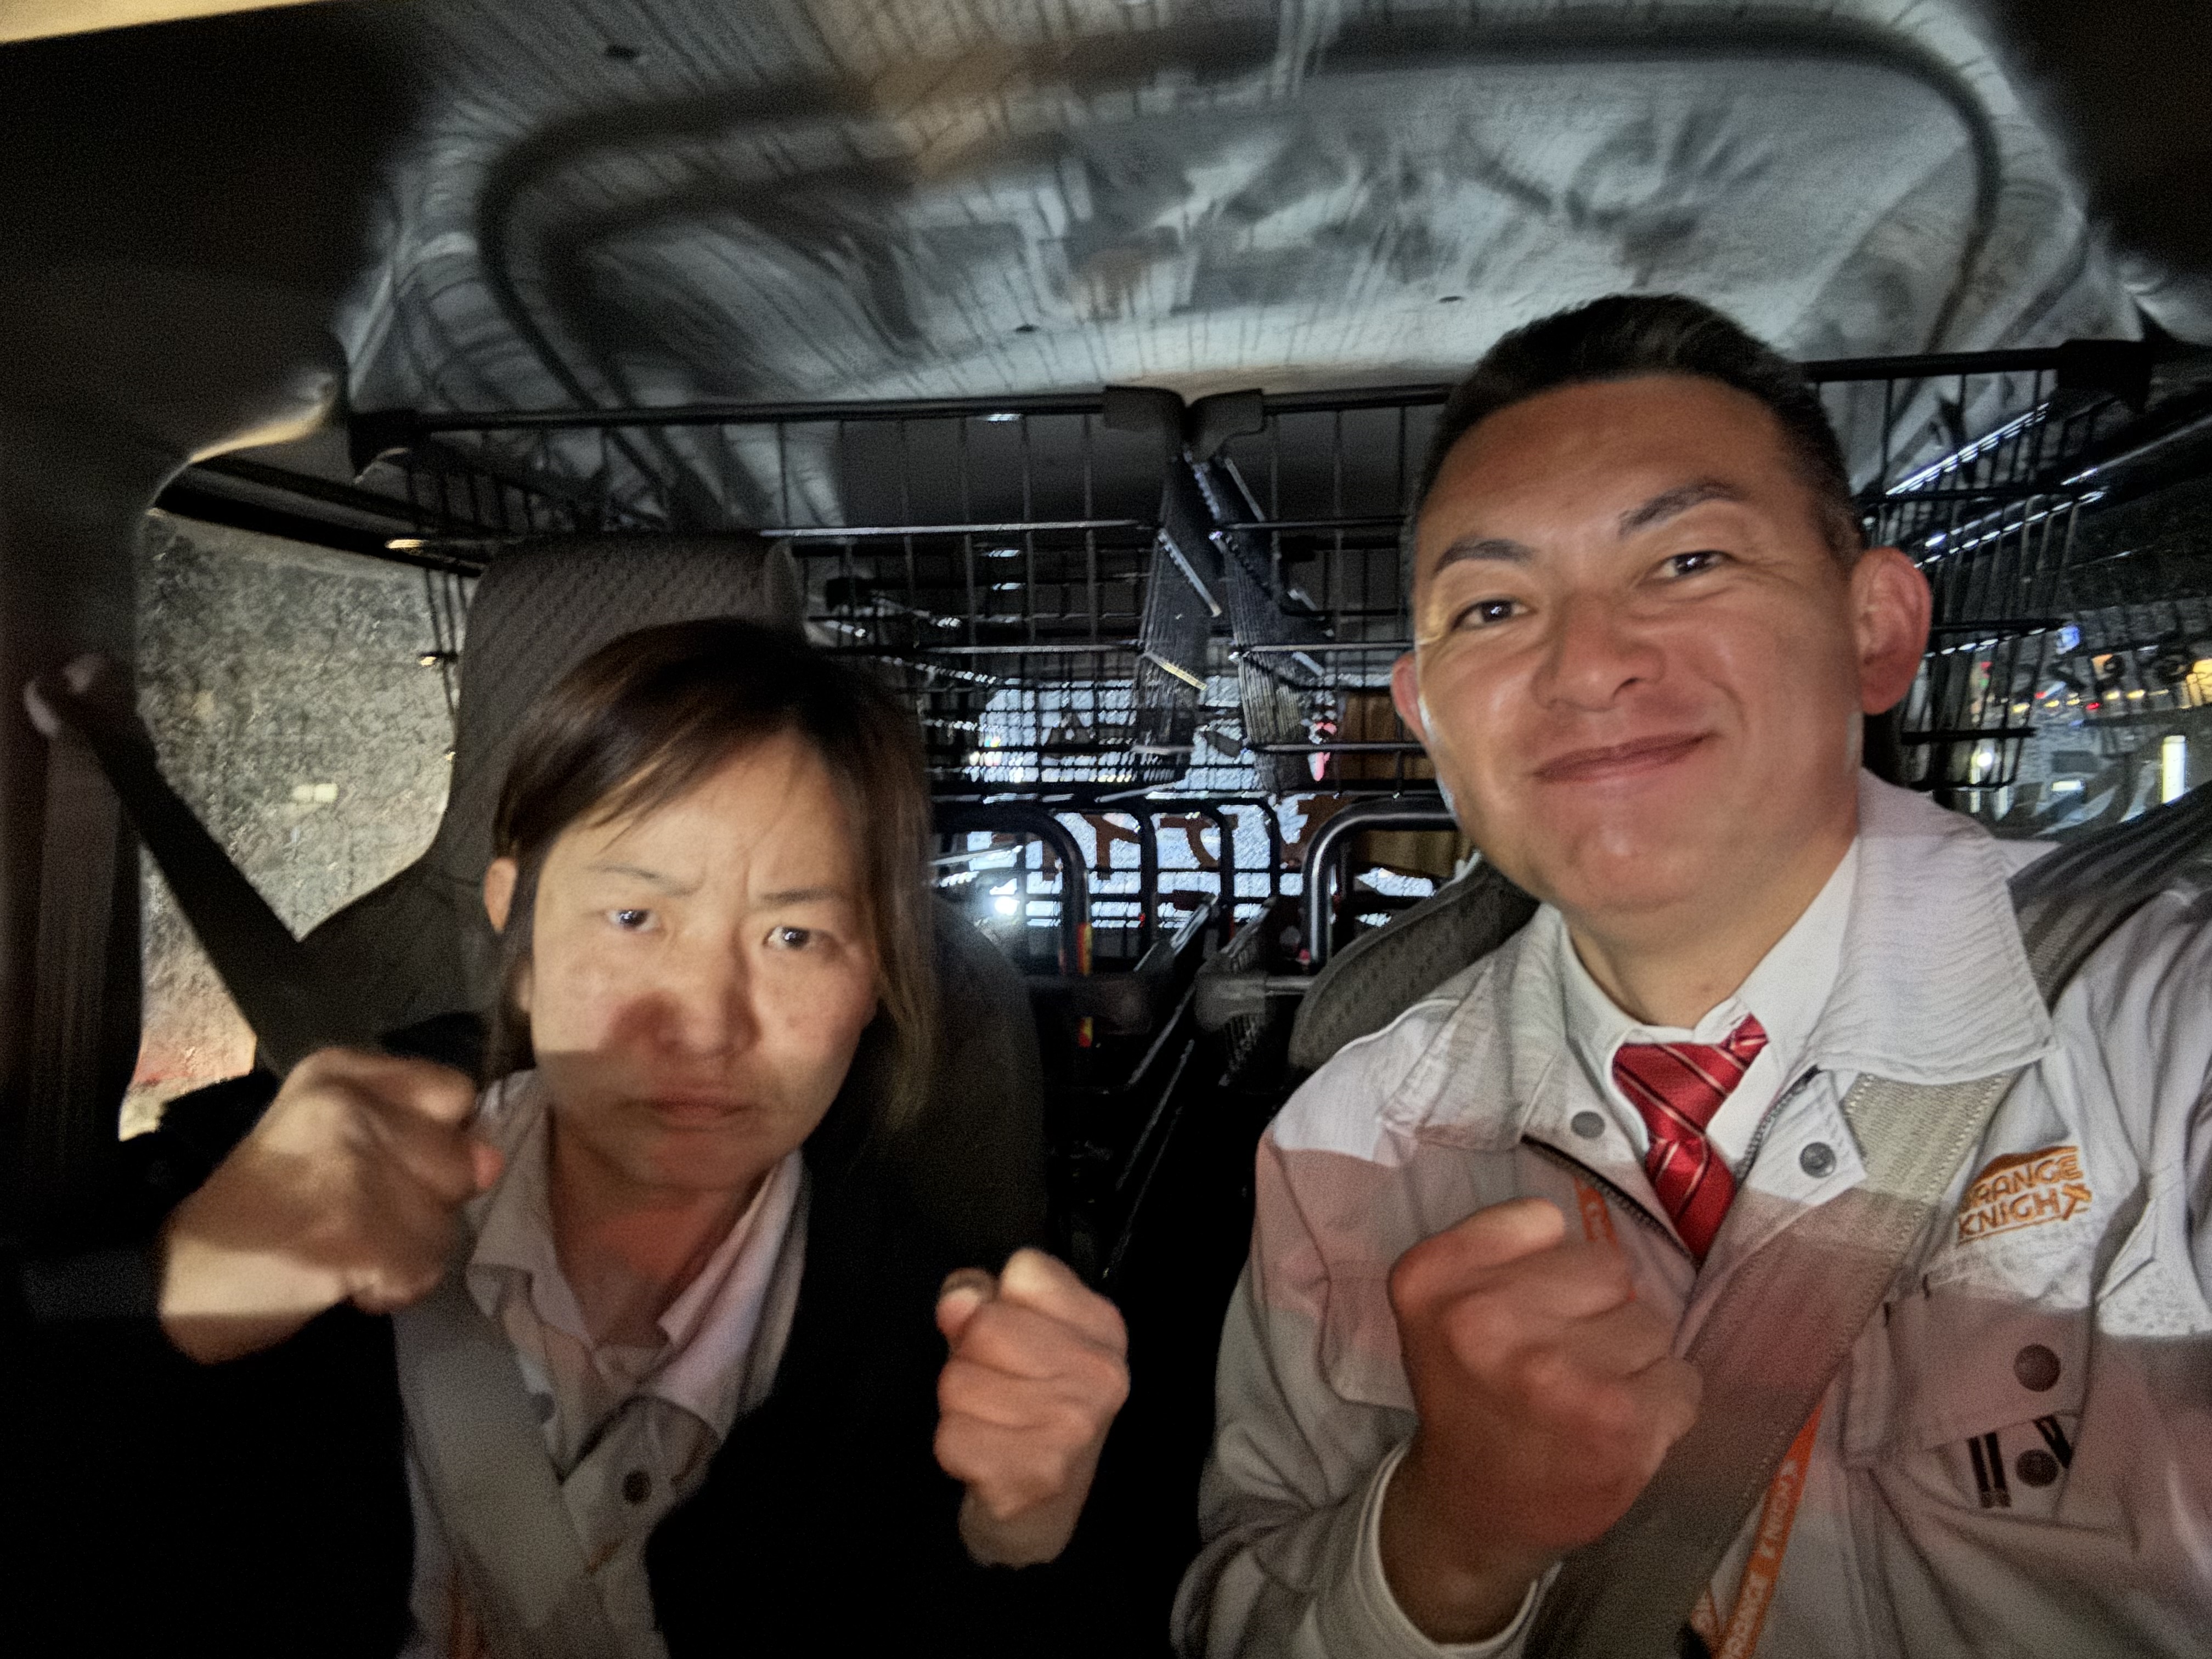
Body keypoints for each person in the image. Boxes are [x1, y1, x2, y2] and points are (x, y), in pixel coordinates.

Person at [1174, 295, 2212, 1657]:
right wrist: (1437, 1543)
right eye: (1495, 606)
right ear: (1429, 719)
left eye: (1688, 561)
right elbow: (1240, 1616)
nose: (1588, 664)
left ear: (1875, 630)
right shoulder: (1347, 1144)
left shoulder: (2162, 1028)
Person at [18, 618, 1128, 1658]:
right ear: (519, 925)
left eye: (796, 936)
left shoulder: (935, 1355)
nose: (707, 1023)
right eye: (635, 918)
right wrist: (171, 1307)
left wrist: (1018, 1540)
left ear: (877, 977)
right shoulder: (260, 1176)